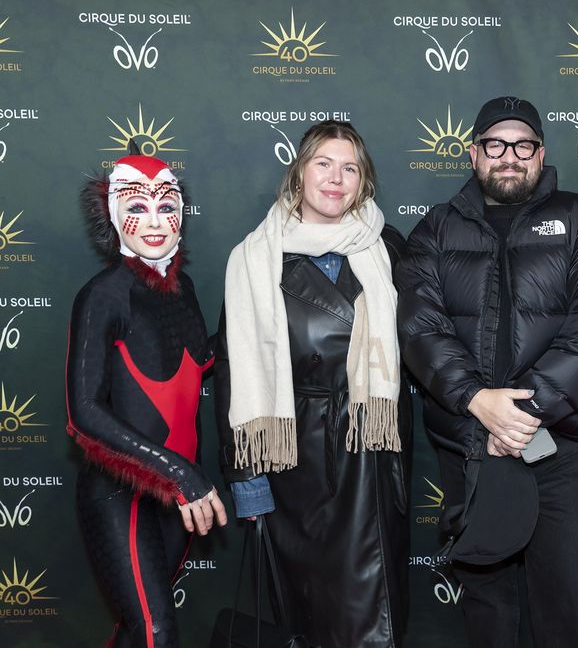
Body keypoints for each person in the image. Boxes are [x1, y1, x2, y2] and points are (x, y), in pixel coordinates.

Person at [396, 96, 578, 648]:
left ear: (540, 153)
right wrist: (479, 403)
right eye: (495, 144)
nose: (510, 156)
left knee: (568, 613)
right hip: (469, 451)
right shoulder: (434, 229)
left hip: (552, 450)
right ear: (474, 154)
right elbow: (420, 328)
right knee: (487, 614)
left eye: (522, 144)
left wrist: (522, 416)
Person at [214, 120, 411, 648]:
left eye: (350, 168)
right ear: (299, 172)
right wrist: (248, 480)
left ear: (363, 182)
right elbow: (236, 371)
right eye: (323, 163)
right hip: (297, 464)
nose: (336, 178)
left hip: (374, 452)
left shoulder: (386, 246)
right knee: (312, 619)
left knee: (377, 612)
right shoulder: (255, 258)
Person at [66, 151, 227, 648]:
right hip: (122, 493)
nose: (155, 221)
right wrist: (182, 475)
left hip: (178, 498)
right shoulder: (103, 295)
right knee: (154, 632)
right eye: (138, 207)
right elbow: (84, 414)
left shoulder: (186, 290)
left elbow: (202, 359)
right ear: (113, 218)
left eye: (167, 204)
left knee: (140, 633)